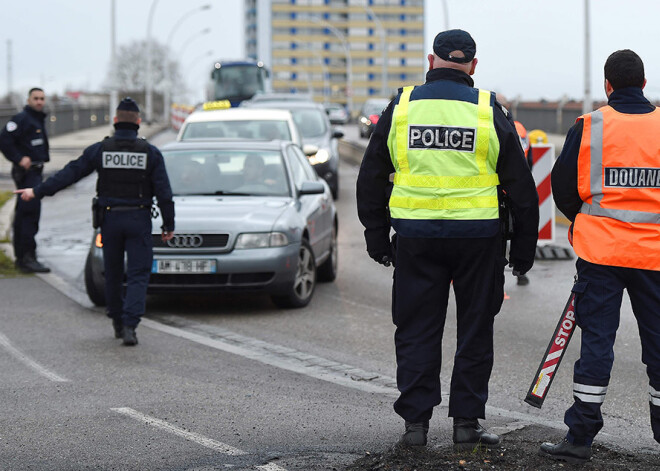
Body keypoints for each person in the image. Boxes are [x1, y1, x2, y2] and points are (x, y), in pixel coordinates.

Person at [356, 29, 539, 448]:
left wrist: (376, 237)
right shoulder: (487, 110)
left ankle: (416, 427)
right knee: (475, 330)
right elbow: (522, 186)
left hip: (416, 239)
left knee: (417, 329)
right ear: (473, 66)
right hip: (478, 239)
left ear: (431, 60)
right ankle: (466, 425)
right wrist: (523, 250)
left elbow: (369, 177)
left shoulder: (401, 107)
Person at [541, 49, 660, 463]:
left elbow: (562, 188)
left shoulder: (589, 125)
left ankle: (579, 440)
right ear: (644, 84)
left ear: (608, 85)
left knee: (596, 345)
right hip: (655, 257)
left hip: (601, 254)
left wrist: (588, 220)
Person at [14, 98, 175, 347]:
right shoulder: (150, 152)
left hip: (109, 219)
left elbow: (70, 173)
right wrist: (168, 225)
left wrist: (37, 191)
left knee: (111, 272)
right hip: (138, 218)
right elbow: (164, 192)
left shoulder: (101, 149)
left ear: (114, 121)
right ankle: (131, 325)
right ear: (139, 123)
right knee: (138, 274)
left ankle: (117, 321)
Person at [0, 88, 51, 273]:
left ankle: (23, 257)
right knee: (29, 213)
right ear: (28, 100)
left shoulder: (37, 118)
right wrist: (19, 158)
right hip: (27, 173)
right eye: (36, 98)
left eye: (42, 99)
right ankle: (27, 257)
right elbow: (4, 139)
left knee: (25, 213)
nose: (39, 102)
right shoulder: (22, 119)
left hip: (35, 171)